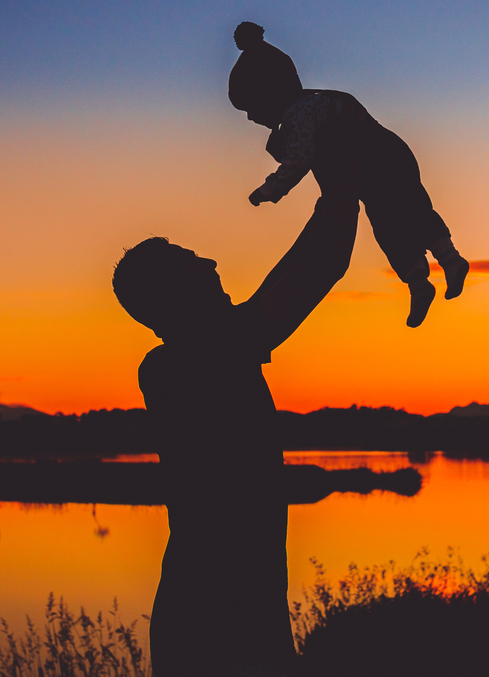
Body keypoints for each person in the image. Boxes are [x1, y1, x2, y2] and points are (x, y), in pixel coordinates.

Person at [113, 192, 360, 676]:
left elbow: (283, 278)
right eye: (192, 263)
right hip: (218, 613)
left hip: (223, 602)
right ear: (179, 293)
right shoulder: (194, 359)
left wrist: (333, 197)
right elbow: (320, 267)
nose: (211, 260)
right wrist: (346, 182)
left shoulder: (195, 353)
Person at [228, 21, 469, 327]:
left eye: (251, 107)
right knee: (396, 219)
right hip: (381, 162)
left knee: (403, 214)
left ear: (269, 94)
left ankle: (438, 268)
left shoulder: (300, 114)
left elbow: (299, 160)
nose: (251, 117)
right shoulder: (321, 101)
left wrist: (269, 190)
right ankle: (428, 275)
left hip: (379, 160)